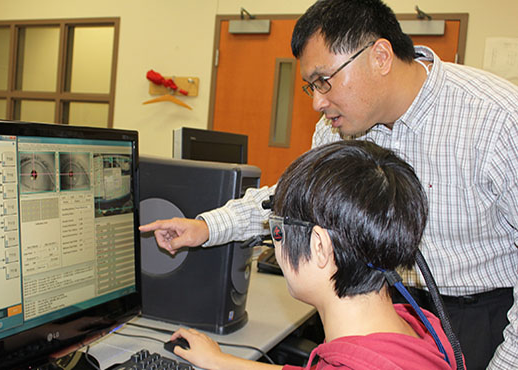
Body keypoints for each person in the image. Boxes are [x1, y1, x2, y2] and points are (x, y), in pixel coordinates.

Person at [140, 0, 518, 368]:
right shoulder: (338, 126)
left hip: (484, 317)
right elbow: (293, 201)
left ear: (380, 56)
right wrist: (206, 227)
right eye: (310, 86)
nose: (318, 103)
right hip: (390, 307)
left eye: (324, 81)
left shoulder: (496, 121)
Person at [165, 140, 458, 369]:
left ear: (319, 246)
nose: (276, 247)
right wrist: (221, 362)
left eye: (277, 232)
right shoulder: (412, 327)